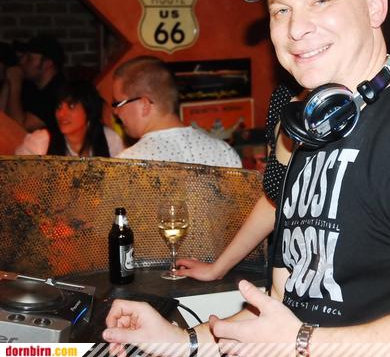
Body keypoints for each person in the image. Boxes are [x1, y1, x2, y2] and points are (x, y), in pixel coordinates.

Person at [103, 0, 390, 355]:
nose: (296, 28)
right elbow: (286, 306)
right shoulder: (309, 135)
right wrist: (180, 341)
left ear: (375, 7)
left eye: (320, 0)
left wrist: (301, 342)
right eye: (281, 10)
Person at [175, 82, 297, 280]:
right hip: (288, 274)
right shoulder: (284, 97)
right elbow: (275, 199)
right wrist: (217, 269)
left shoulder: (350, 106)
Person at [112, 56, 241, 167]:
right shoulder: (224, 152)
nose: (116, 112)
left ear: (144, 105)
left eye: (118, 104)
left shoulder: (127, 163)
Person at [15, 80, 124, 157]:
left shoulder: (110, 139)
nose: (61, 114)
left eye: (71, 106)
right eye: (59, 107)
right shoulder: (41, 141)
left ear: (88, 110)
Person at [4, 35, 67, 132]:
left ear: (47, 64)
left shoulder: (58, 92)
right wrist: (9, 82)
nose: (22, 62)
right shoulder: (31, 87)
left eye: (29, 58)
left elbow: (20, 127)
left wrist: (15, 83)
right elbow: (3, 118)